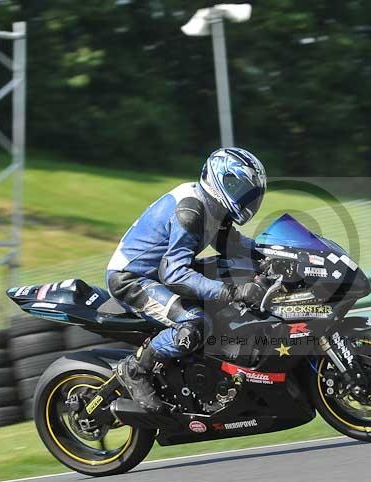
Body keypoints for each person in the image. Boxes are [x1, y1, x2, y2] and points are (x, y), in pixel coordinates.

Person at [106, 147, 268, 412]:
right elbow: (175, 274)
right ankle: (136, 370)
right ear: (220, 180)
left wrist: (273, 253)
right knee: (196, 323)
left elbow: (232, 245)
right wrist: (233, 291)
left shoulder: (213, 207)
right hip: (133, 280)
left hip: (161, 273)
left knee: (236, 272)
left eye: (251, 193)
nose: (246, 199)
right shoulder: (191, 211)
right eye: (241, 189)